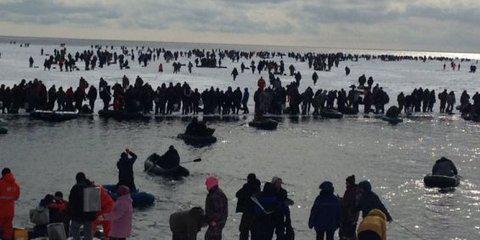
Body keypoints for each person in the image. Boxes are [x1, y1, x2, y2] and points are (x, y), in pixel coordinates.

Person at [69, 172, 98, 240]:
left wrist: (72, 212)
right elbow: (95, 203)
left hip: (78, 215)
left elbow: (71, 201)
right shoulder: (92, 186)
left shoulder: (76, 187)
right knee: (88, 232)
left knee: (74, 228)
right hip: (89, 215)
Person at [236, 174, 261, 240]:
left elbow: (238, 194)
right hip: (256, 213)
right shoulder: (258, 187)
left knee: (244, 230)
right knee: (254, 232)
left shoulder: (247, 186)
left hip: (247, 212)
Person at [0, 168, 20, 240]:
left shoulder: (0, 183)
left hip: (1, 211)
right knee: (8, 229)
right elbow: (16, 197)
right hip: (10, 212)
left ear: (3, 174)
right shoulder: (16, 185)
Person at [339, 175, 359, 240]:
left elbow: (346, 203)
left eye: (346, 183)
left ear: (349, 183)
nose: (345, 184)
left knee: (344, 234)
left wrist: (340, 201)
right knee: (351, 234)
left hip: (348, 216)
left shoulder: (350, 191)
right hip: (353, 217)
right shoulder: (355, 190)